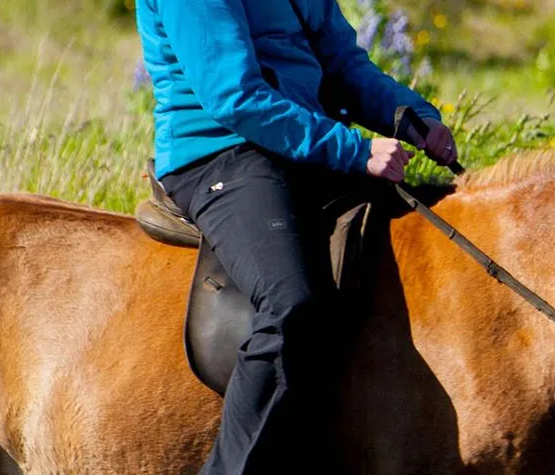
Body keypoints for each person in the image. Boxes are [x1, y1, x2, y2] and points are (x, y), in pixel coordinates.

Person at [134, 0, 458, 472]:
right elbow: (234, 97)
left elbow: (345, 65)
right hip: (223, 152)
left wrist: (411, 117)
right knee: (290, 305)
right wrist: (353, 150)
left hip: (300, 145)